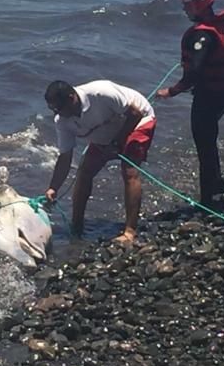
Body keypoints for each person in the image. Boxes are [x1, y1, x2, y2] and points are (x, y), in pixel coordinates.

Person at [155, 0, 224, 211]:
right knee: (210, 141)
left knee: (204, 146)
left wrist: (171, 92)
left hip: (208, 99)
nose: (184, 10)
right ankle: (219, 188)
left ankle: (207, 201)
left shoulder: (201, 36)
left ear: (198, 5)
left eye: (186, 5)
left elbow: (194, 72)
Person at [43, 79, 156, 243]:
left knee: (129, 170)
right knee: (84, 172)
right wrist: (53, 188)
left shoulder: (101, 93)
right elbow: (65, 156)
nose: (57, 113)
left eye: (59, 108)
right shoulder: (62, 121)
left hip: (138, 121)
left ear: (71, 98)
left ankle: (130, 231)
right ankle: (76, 227)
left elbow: (135, 113)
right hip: (106, 133)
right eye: (53, 109)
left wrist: (117, 143)